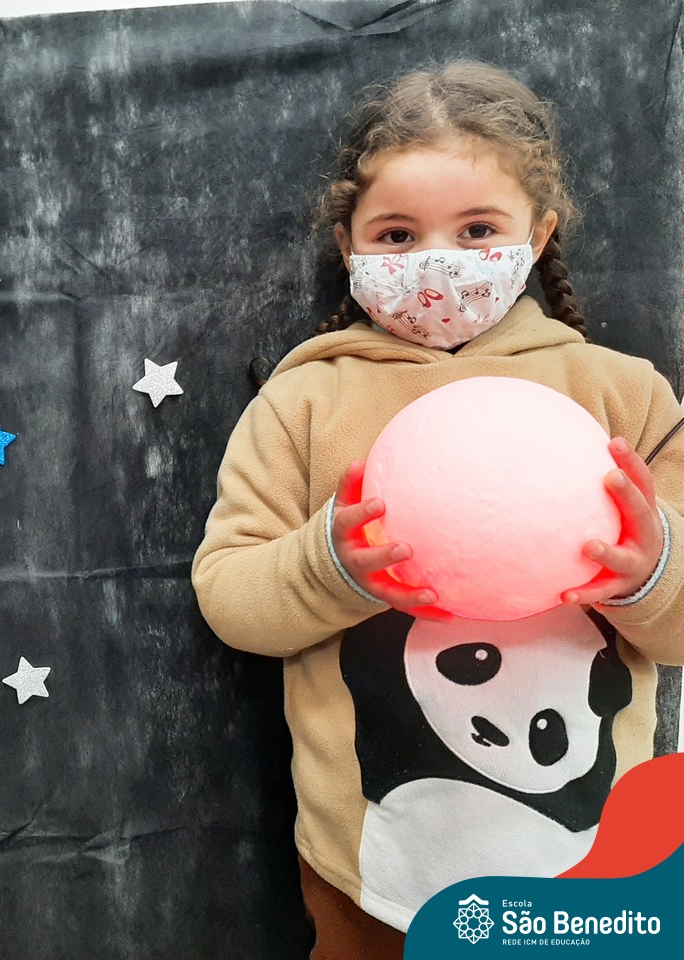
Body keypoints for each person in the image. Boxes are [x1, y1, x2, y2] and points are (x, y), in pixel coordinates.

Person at [191, 58, 684, 959]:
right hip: (372, 874)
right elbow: (229, 596)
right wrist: (330, 568)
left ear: (538, 235)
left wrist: (651, 571)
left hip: (595, 872)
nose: (438, 262)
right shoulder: (305, 405)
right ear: (348, 247)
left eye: (478, 229)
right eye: (397, 235)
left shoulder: (623, 397)